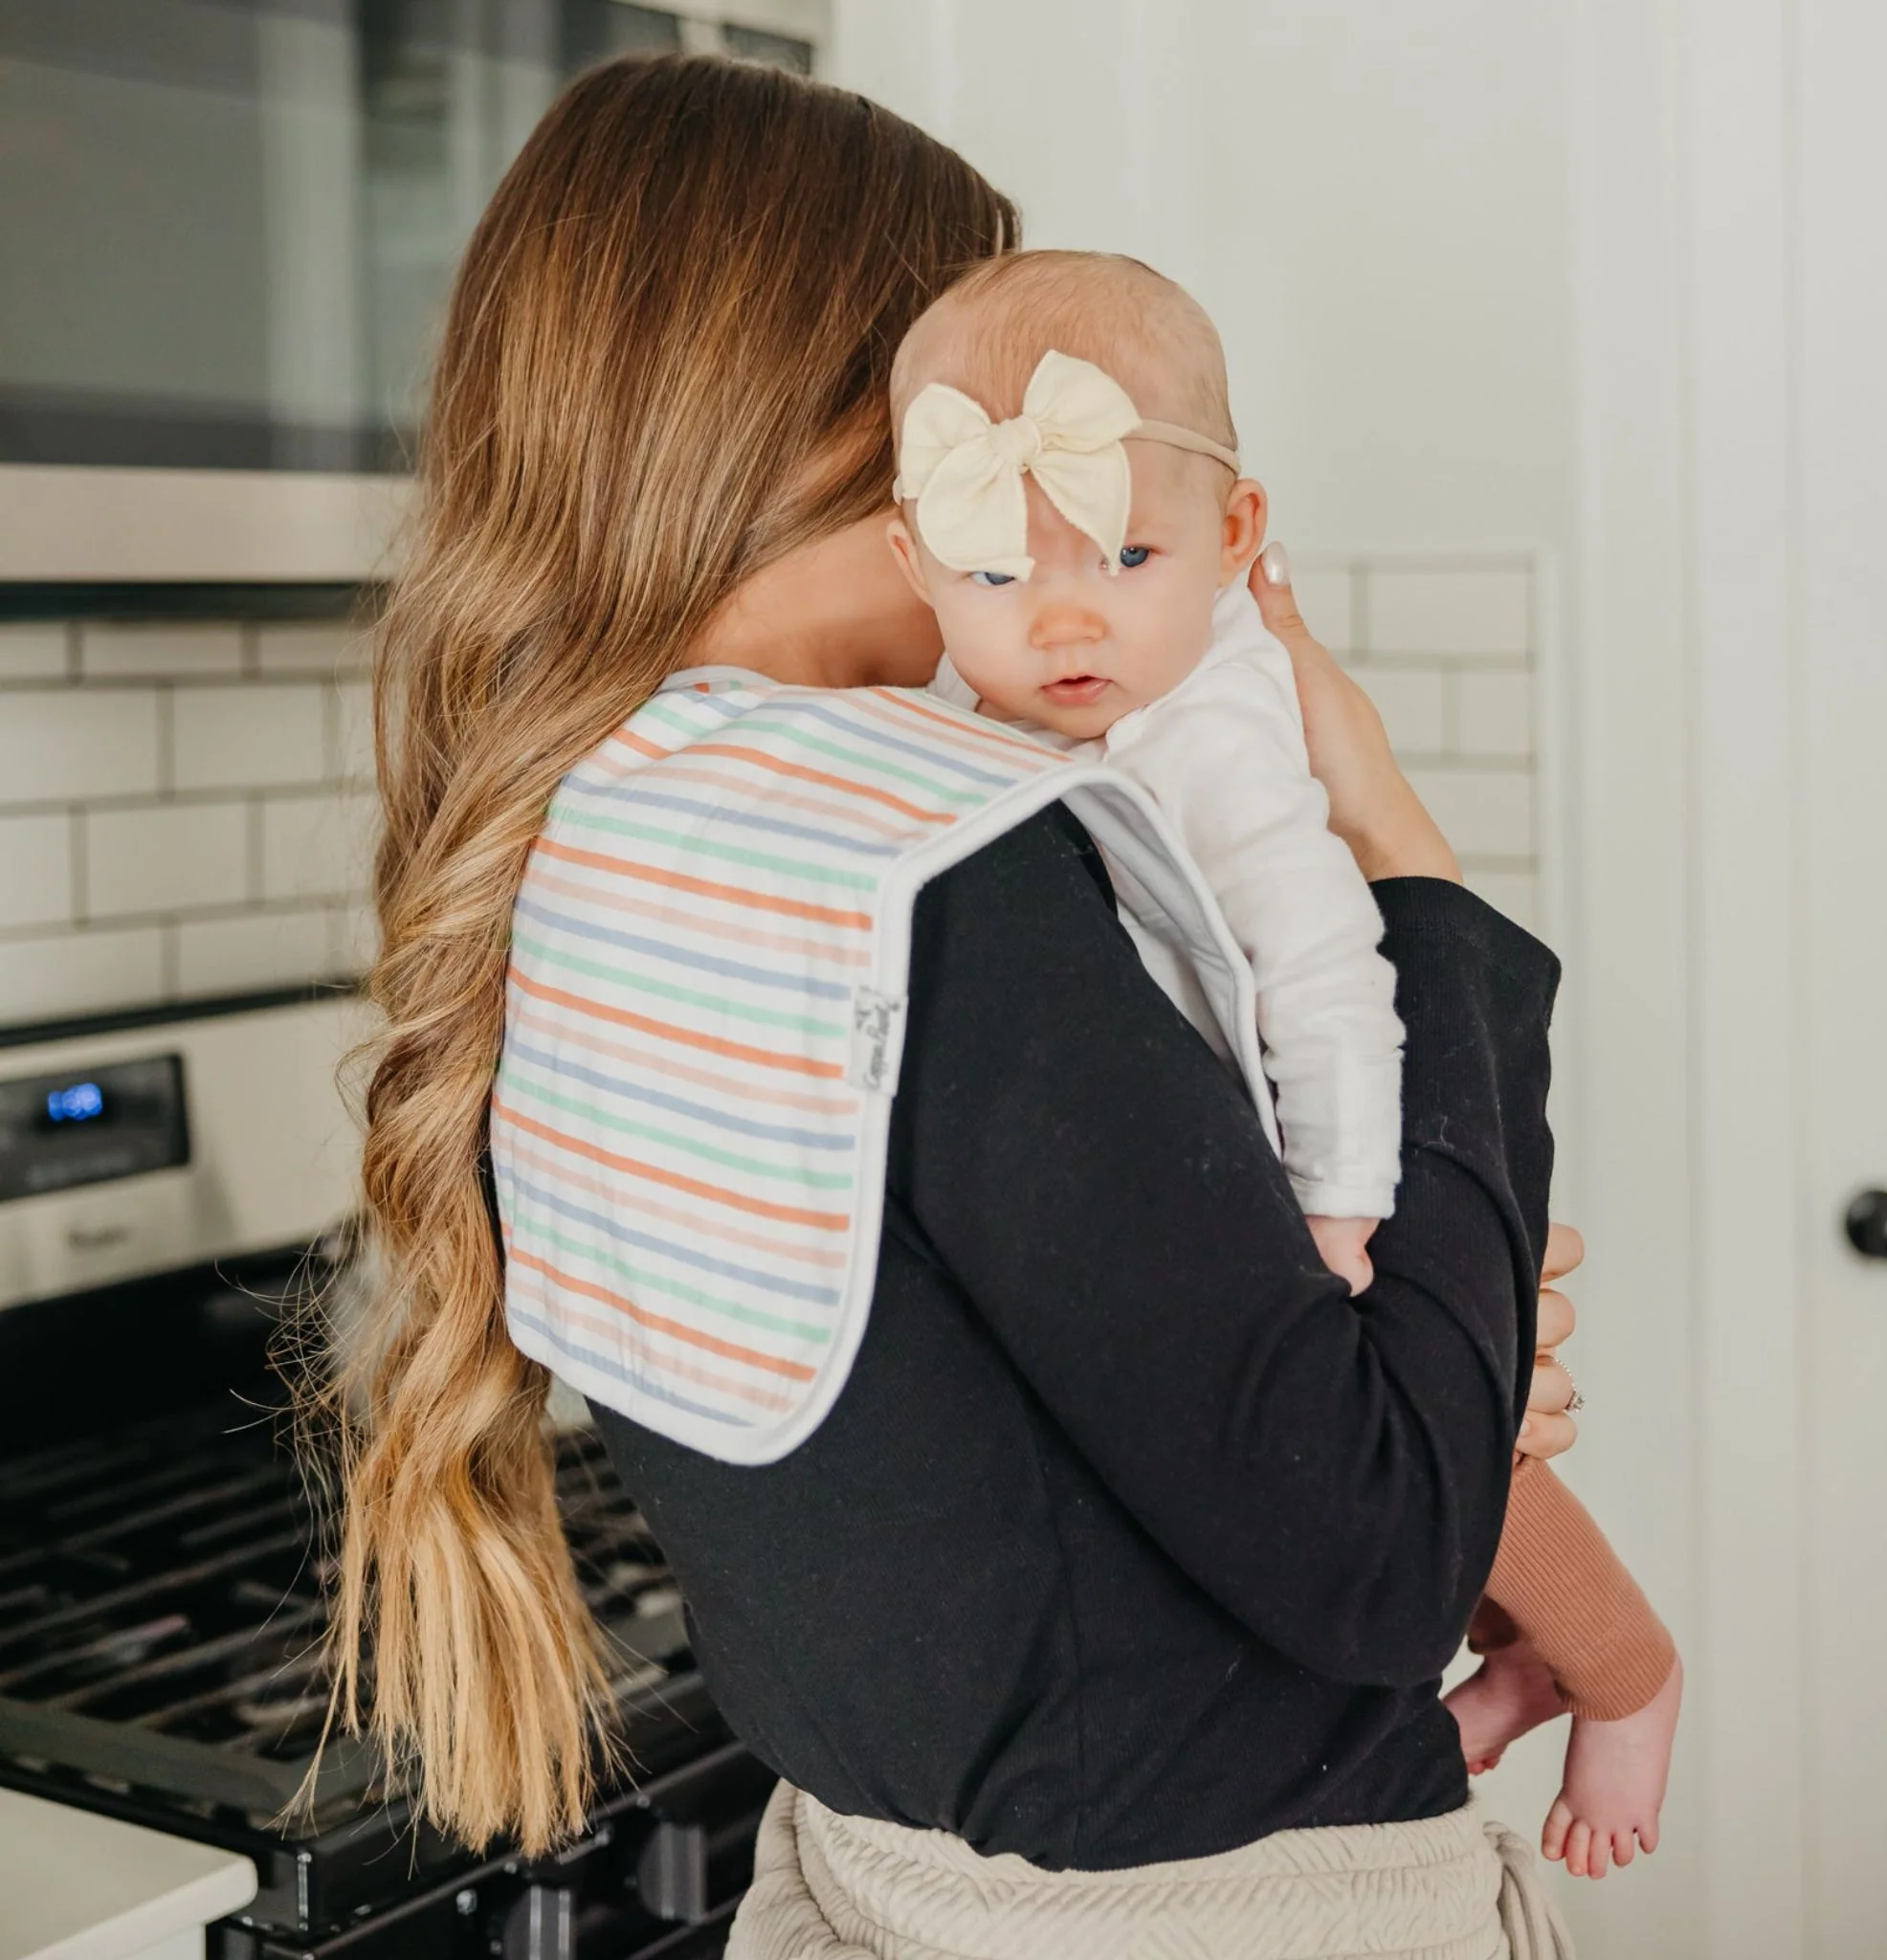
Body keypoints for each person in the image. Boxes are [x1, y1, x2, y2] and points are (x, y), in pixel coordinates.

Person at [324, 51, 1594, 1958]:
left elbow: (1038, 1417)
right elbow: (1383, 1542)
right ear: (874, 440)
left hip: (873, 1881)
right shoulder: (937, 864)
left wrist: (1418, 1348)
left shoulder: (609, 823)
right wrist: (1401, 854)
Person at [882, 248, 1683, 1880]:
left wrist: (1341, 1215)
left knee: (1459, 1469)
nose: (1062, 616)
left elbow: (1326, 970)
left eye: (1126, 552)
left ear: (1240, 541)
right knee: (1324, 1512)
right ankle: (1504, 1682)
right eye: (991, 577)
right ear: (915, 563)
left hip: (1335, 1146)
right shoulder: (1017, 704)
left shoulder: (1215, 730)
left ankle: (1630, 1673)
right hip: (1217, 1163)